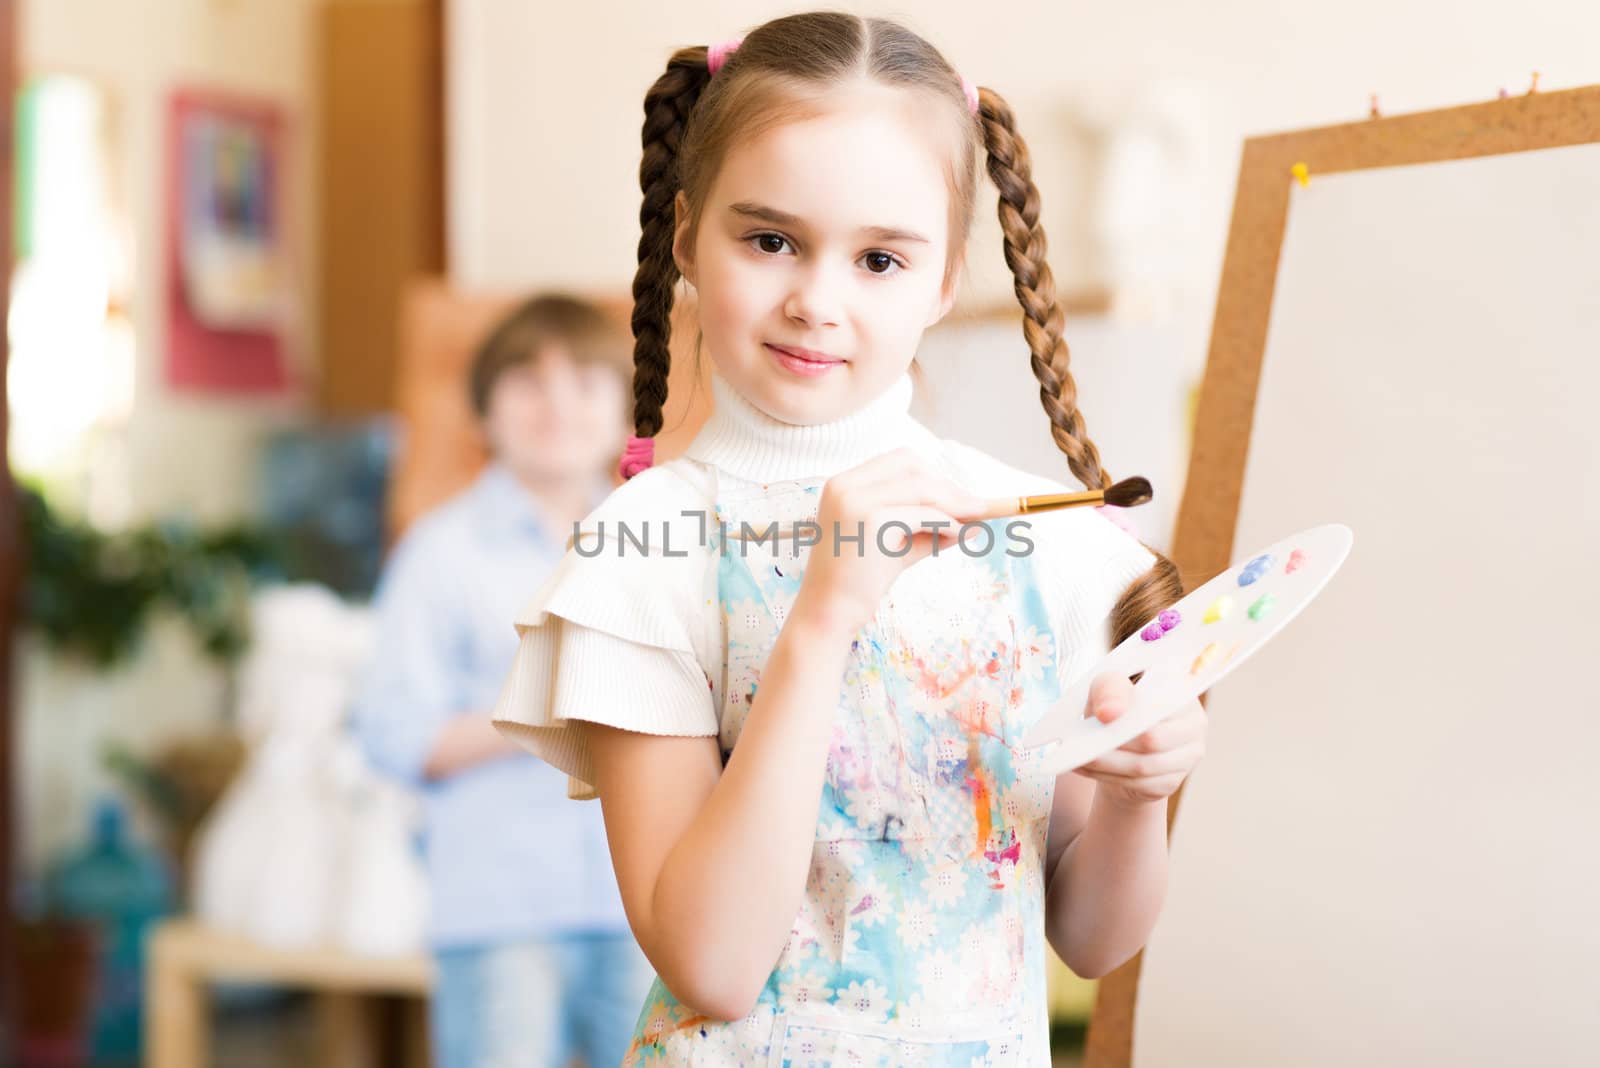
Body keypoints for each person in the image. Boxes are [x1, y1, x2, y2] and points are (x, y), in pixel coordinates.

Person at [491, 15, 1208, 1065]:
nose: (815, 301)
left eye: (879, 258)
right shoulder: (641, 550)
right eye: (769, 239)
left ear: (945, 280)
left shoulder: (1046, 543)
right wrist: (823, 616)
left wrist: (1142, 799)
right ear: (687, 236)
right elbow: (713, 964)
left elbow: (1092, 942)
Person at [354, 294, 655, 1068]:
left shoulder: (657, 542)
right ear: (483, 413)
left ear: (625, 408)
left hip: (647, 903)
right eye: (527, 380)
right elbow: (393, 736)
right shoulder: (440, 552)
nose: (556, 403)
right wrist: (546, 704)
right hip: (498, 910)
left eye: (585, 380)